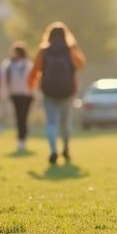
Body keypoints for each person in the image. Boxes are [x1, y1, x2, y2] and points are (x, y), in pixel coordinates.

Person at [27, 22, 86, 165]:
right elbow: (81, 65)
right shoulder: (70, 50)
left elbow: (35, 71)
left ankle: (53, 150)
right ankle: (65, 148)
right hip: (67, 91)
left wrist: (31, 87)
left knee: (51, 121)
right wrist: (74, 50)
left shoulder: (43, 51)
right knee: (65, 122)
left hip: (49, 92)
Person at [1, 42, 34, 153]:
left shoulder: (27, 65)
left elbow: (33, 80)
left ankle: (22, 139)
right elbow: (4, 80)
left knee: (22, 118)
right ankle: (21, 140)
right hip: (18, 94)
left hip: (25, 95)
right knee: (20, 117)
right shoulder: (9, 65)